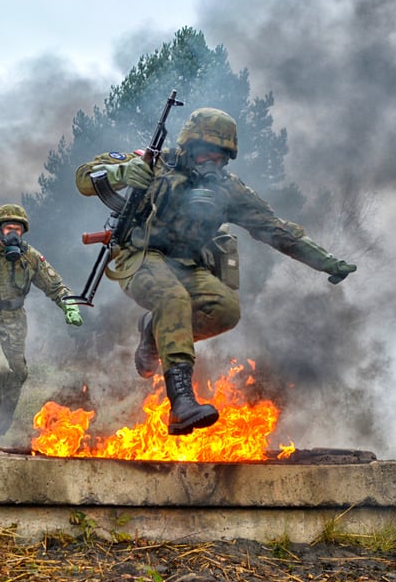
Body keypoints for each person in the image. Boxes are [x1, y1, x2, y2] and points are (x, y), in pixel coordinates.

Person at [75, 107, 356, 436]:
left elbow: (277, 230)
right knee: (172, 297)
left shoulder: (229, 190)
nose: (214, 162)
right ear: (189, 146)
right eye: (208, 152)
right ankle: (181, 403)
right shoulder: (154, 164)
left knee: (224, 309)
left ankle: (152, 333)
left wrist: (326, 262)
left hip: (186, 264)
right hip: (138, 255)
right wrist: (123, 173)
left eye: (222, 156)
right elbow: (84, 177)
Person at [0, 203, 83, 445]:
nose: (13, 234)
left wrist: (69, 305)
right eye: (8, 228)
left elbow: (55, 286)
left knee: (18, 374)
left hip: (14, 326)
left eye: (18, 229)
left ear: (23, 232)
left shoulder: (30, 257)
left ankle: (2, 422)